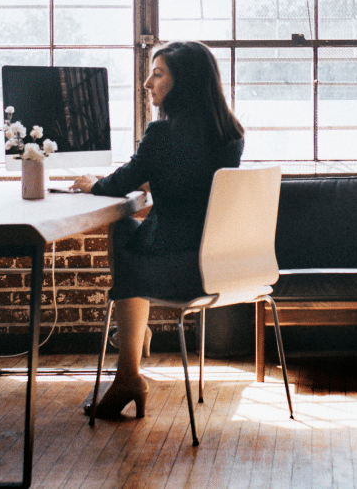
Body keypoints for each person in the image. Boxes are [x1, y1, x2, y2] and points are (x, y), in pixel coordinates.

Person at [71, 41, 245, 419]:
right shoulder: (231, 135)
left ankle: (129, 363)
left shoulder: (161, 134)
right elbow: (193, 181)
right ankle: (134, 333)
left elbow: (116, 185)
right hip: (221, 265)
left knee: (120, 229)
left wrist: (89, 183)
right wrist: (158, 179)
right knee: (137, 232)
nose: (147, 83)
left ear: (184, 82)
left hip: (179, 269)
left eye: (158, 73)